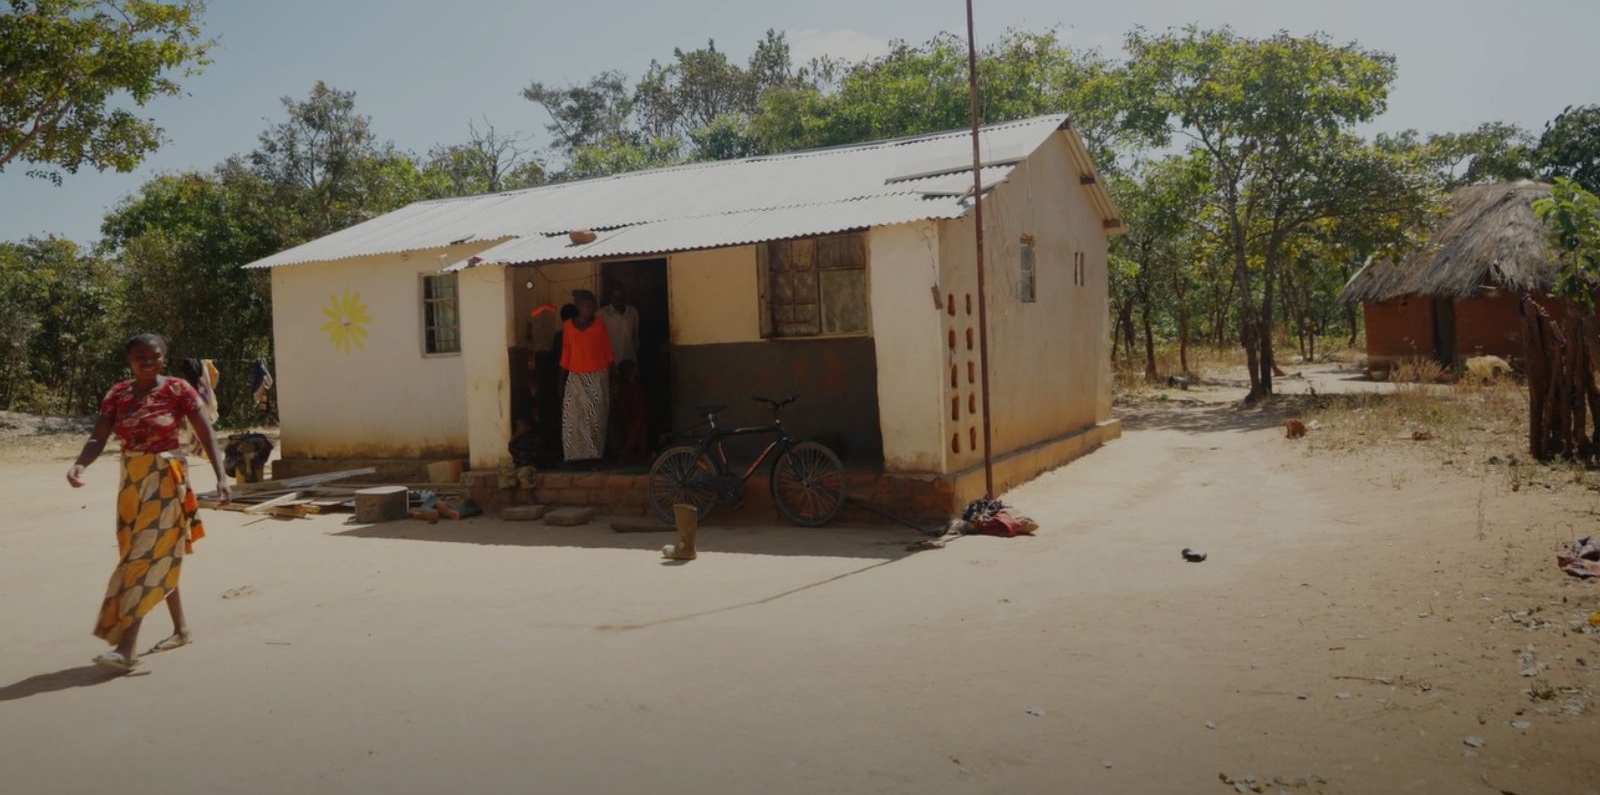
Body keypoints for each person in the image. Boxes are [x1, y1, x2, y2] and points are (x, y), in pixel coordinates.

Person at [67, 333, 229, 673]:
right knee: (149, 556)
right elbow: (99, 435)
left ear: (164, 357)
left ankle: (126, 649)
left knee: (144, 558)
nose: (147, 361)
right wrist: (81, 463)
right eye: (139, 356)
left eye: (153, 355)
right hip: (131, 483)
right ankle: (181, 629)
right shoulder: (118, 394)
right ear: (129, 360)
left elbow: (205, 432)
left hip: (166, 479)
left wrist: (220, 476)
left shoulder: (178, 389)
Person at [559, 290, 614, 467]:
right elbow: (566, 354)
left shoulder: (599, 324)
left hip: (597, 377)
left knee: (595, 419)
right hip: (575, 378)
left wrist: (615, 379)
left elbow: (607, 351)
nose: (590, 308)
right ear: (578, 307)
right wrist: (560, 381)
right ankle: (574, 459)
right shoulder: (568, 326)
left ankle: (594, 457)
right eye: (586, 305)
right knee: (573, 420)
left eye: (592, 305)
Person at [613, 359, 650, 465]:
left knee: (640, 436)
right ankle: (624, 456)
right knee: (633, 437)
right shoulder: (629, 386)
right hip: (635, 415)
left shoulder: (629, 385)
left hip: (636, 414)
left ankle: (642, 457)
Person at [597, 281, 640, 366]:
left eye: (621, 297)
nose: (618, 300)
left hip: (629, 362)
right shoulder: (601, 314)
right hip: (611, 364)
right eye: (615, 297)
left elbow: (635, 337)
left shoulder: (633, 312)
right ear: (610, 298)